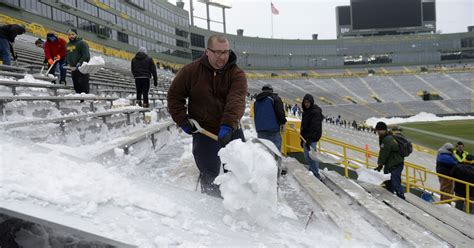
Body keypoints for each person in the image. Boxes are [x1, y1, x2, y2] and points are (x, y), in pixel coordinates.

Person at [167, 34, 247, 197]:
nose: (222, 57)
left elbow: (236, 100)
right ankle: (212, 208)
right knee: (209, 173)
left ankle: (237, 208)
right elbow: (175, 96)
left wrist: (228, 125)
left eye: (225, 52)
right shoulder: (191, 71)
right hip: (204, 131)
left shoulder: (236, 74)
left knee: (238, 172)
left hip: (230, 130)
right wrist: (182, 120)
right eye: (217, 52)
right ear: (207, 52)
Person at [374, 122, 405, 199]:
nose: (377, 132)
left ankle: (401, 199)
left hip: (394, 164)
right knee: (389, 182)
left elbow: (384, 153)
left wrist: (380, 164)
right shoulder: (388, 137)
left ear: (383, 130)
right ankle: (392, 199)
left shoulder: (387, 139)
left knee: (395, 182)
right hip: (394, 163)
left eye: (378, 130)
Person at [254, 84, 287, 150]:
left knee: (263, 151)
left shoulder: (256, 101)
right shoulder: (274, 98)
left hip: (260, 130)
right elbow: (280, 112)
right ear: (271, 90)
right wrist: (283, 123)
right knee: (275, 151)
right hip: (273, 130)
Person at [300, 94, 323, 179]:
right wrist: (301, 139)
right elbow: (304, 127)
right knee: (310, 157)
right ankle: (313, 171)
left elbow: (315, 127)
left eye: (308, 102)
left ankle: (316, 175)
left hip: (311, 139)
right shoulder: (306, 112)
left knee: (310, 157)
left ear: (311, 102)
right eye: (305, 102)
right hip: (306, 138)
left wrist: (309, 139)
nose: (306, 104)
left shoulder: (315, 112)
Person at [66, 29, 90, 94]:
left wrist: (80, 62)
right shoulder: (68, 45)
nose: (71, 36)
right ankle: (80, 100)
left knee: (83, 84)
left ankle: (86, 99)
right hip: (73, 68)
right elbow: (67, 55)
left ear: (76, 35)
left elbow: (86, 55)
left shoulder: (82, 43)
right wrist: (66, 63)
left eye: (73, 34)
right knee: (76, 85)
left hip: (82, 67)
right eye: (69, 35)